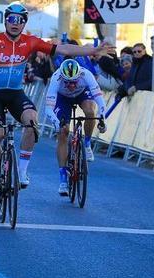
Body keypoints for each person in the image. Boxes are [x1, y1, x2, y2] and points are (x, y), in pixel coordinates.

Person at [0, 2, 114, 202]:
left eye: (20, 20)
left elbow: (64, 49)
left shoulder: (31, 42)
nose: (15, 23)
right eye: (11, 19)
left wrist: (91, 51)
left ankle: (22, 171)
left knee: (32, 122)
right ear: (5, 21)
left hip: (16, 93)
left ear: (24, 23)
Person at [44, 59, 107, 196]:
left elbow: (99, 100)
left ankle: (87, 143)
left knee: (90, 112)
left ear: (79, 75)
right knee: (63, 132)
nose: (71, 85)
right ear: (62, 77)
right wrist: (57, 123)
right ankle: (62, 178)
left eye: (74, 82)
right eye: (68, 82)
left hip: (82, 94)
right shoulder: (56, 78)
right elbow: (48, 109)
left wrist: (102, 117)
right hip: (62, 98)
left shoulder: (86, 75)